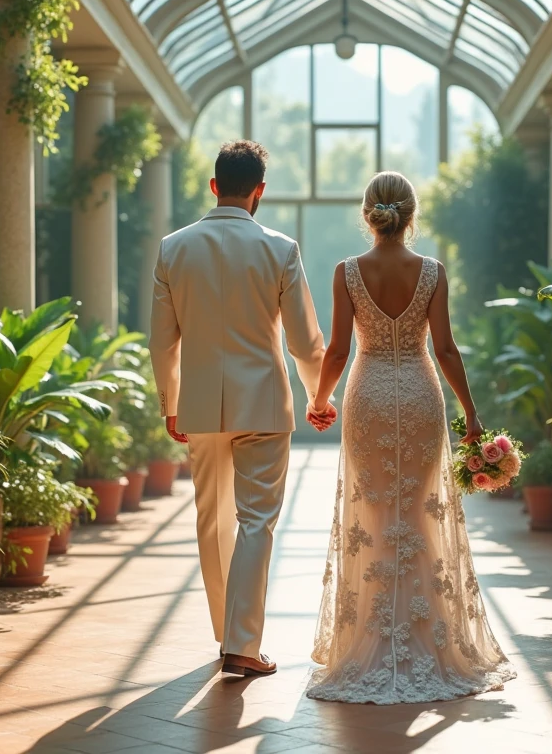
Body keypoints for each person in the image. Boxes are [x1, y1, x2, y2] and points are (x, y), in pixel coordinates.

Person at [305, 171, 516, 704]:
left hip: (369, 397)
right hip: (421, 395)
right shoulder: (432, 272)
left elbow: (338, 350)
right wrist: (472, 412)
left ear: (368, 214)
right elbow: (445, 349)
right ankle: (427, 636)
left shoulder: (347, 272)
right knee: (418, 512)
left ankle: (374, 637)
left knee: (376, 516)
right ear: (411, 214)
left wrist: (320, 400)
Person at [150, 140, 337, 679]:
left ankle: (225, 634)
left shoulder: (173, 248)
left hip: (200, 406)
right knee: (256, 523)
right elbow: (306, 342)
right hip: (264, 406)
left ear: (214, 186)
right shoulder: (280, 249)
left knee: (212, 519)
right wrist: (317, 397)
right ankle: (242, 644)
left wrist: (171, 403)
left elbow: (162, 342)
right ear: (260, 190)